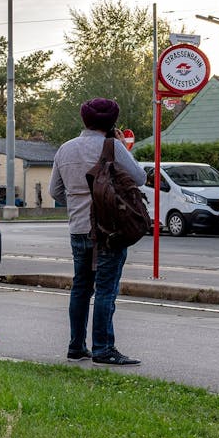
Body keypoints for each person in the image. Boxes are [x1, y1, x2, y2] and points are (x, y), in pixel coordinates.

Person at [48, 97, 143, 366]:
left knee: (80, 288)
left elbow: (55, 191)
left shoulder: (65, 149)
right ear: (111, 122)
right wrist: (123, 147)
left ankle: (76, 346)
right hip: (108, 229)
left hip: (78, 228)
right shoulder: (111, 146)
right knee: (105, 290)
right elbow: (139, 177)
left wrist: (78, 201)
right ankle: (103, 349)